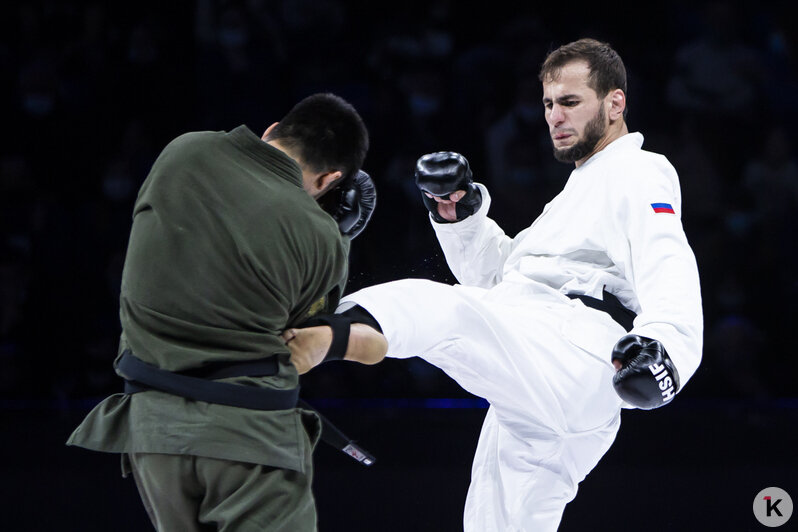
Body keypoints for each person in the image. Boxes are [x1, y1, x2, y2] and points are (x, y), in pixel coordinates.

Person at [284, 39, 703, 531]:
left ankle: (308, 336)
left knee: (443, 309)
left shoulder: (637, 169)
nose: (554, 116)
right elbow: (504, 286)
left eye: (570, 102)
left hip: (576, 355)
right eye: (548, 104)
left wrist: (670, 350)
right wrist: (461, 218)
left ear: (614, 103)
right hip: (551, 388)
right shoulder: (580, 190)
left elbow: (665, 254)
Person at [67, 92, 384, 531]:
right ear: (330, 178)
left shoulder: (183, 150)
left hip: (153, 432)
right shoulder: (318, 232)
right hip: (246, 434)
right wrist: (341, 236)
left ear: (272, 130)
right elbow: (303, 338)